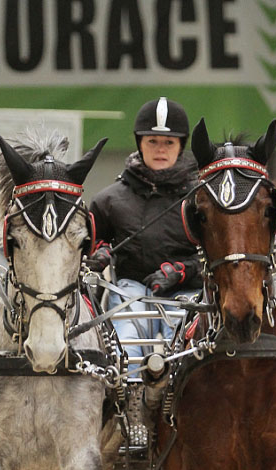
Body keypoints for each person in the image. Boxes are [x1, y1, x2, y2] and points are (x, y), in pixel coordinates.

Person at [88, 97, 202, 374]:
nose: (160, 150)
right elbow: (87, 248)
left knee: (186, 352)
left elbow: (215, 256)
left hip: (187, 293)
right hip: (130, 291)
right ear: (140, 143)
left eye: (168, 143)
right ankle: (130, 394)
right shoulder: (108, 201)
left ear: (181, 146)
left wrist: (180, 272)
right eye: (152, 142)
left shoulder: (201, 200)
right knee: (126, 344)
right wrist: (99, 254)